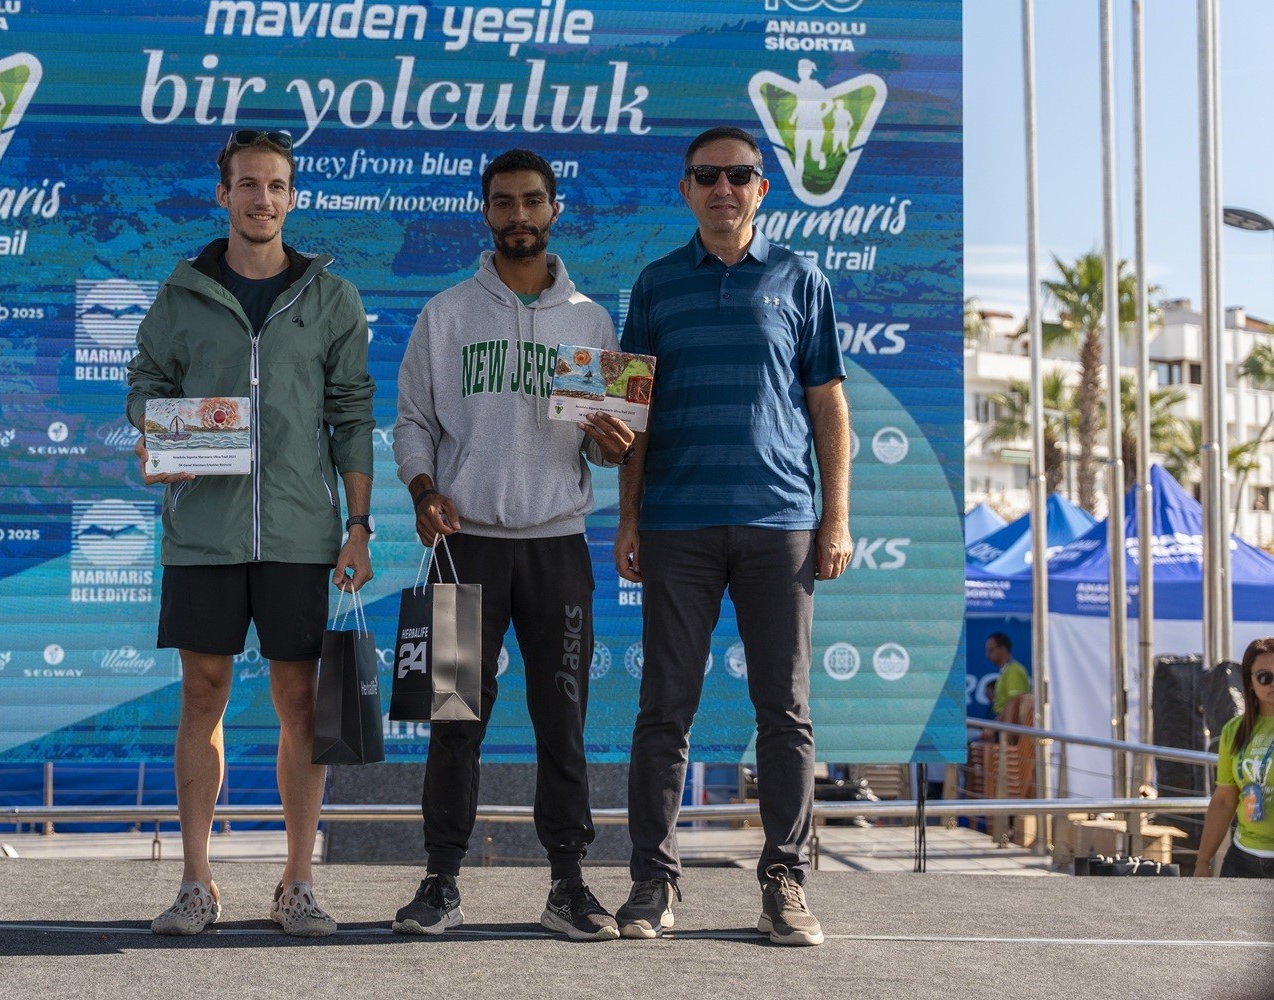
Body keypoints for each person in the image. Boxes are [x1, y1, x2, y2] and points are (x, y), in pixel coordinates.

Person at [126, 129, 376, 937]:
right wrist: (158, 432)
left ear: (291, 198)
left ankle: (297, 882)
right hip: (205, 529)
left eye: (274, 186)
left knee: (300, 701)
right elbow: (145, 381)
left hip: (302, 532)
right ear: (223, 194)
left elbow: (352, 415)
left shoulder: (331, 297)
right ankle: (196, 884)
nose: (261, 199)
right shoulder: (183, 293)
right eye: (247, 184)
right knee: (202, 695)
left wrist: (359, 525)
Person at [612, 126, 851, 947]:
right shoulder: (654, 284)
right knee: (663, 711)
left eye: (739, 175)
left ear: (761, 188)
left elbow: (828, 406)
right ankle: (652, 881)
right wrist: (628, 516)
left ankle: (785, 881)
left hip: (780, 524)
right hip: (675, 525)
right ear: (685, 189)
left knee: (784, 712)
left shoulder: (801, 279)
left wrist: (835, 517)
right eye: (707, 175)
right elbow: (632, 411)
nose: (723, 188)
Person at [390, 149, 635, 941]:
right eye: (504, 202)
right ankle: (440, 882)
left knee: (563, 721)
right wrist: (422, 490)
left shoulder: (591, 320)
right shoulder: (447, 314)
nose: (519, 215)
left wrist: (611, 445)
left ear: (555, 209)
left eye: (533, 201)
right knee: (453, 718)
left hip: (558, 547)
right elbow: (411, 422)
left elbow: (604, 442)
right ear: (486, 211)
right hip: (464, 547)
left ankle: (568, 883)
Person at [1196, 638, 1274, 879]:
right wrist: (1203, 861)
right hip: (1242, 860)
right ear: (1249, 682)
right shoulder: (1234, 730)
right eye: (1264, 677)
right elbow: (1223, 801)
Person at [986, 631, 1031, 719]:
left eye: (991, 650)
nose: (987, 654)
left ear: (1003, 649)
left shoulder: (1013, 671)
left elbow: (1014, 702)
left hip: (1007, 725)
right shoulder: (1006, 670)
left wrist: (1002, 726)